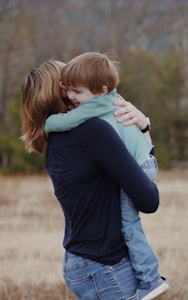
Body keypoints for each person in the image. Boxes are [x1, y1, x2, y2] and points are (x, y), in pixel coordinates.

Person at [21, 59, 160, 300]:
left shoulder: (57, 139)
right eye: (71, 82)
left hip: (79, 263)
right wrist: (144, 128)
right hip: (105, 266)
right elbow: (149, 200)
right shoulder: (94, 131)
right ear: (63, 91)